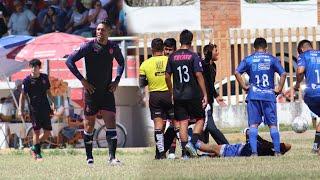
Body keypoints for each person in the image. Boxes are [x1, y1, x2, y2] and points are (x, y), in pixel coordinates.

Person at [66, 20, 125, 166]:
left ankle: (112, 158)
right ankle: (89, 157)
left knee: (110, 121)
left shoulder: (113, 47)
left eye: (103, 30)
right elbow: (69, 61)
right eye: (98, 29)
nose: (99, 32)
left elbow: (121, 62)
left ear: (108, 32)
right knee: (89, 125)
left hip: (106, 91)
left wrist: (117, 80)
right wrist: (82, 80)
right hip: (91, 92)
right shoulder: (88, 46)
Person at [165, 29, 218, 159]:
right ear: (191, 41)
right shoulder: (194, 56)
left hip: (178, 96)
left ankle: (185, 153)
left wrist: (172, 91)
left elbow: (167, 76)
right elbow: (199, 75)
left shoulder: (172, 57)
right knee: (200, 119)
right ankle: (192, 143)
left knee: (183, 122)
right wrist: (205, 94)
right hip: (193, 94)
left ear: (180, 40)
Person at [235, 37, 287, 156]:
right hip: (269, 95)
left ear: (254, 47)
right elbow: (283, 73)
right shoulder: (272, 59)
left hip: (253, 95)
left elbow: (237, 72)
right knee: (272, 125)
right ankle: (278, 152)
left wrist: (244, 86)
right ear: (266, 47)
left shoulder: (249, 59)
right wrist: (279, 88)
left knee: (253, 125)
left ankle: (254, 153)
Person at [139, 38, 175, 159]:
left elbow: (142, 84)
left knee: (158, 126)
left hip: (155, 96)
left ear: (152, 49)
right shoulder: (169, 60)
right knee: (176, 123)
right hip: (169, 94)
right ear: (162, 48)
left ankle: (160, 153)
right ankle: (185, 150)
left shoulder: (145, 64)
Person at [18, 59, 54, 161]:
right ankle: (38, 154)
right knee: (36, 132)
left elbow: (48, 91)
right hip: (34, 110)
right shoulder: (27, 81)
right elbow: (23, 95)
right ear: (30, 67)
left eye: (36, 66)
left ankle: (34, 147)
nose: (34, 68)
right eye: (32, 66)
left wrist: (53, 102)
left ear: (39, 67)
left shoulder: (44, 77)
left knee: (47, 132)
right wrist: (20, 109)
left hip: (45, 108)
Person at [293, 39, 320, 154]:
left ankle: (315, 146)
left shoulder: (304, 56)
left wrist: (297, 84)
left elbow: (300, 71)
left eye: (299, 52)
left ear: (302, 49)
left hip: (311, 94)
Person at [201, 43, 229, 145]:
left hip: (210, 100)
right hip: (203, 101)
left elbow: (210, 84)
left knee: (206, 126)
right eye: (215, 50)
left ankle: (204, 147)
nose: (218, 53)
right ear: (209, 53)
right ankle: (226, 146)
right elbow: (205, 82)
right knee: (210, 126)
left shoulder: (213, 65)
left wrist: (216, 96)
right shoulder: (204, 64)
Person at [205, 128, 291, 157]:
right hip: (235, 150)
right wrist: (269, 144)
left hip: (233, 151)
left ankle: (194, 143)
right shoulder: (265, 149)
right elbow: (288, 146)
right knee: (213, 153)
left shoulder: (255, 146)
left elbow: (249, 132)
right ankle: (198, 152)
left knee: (213, 148)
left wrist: (265, 142)